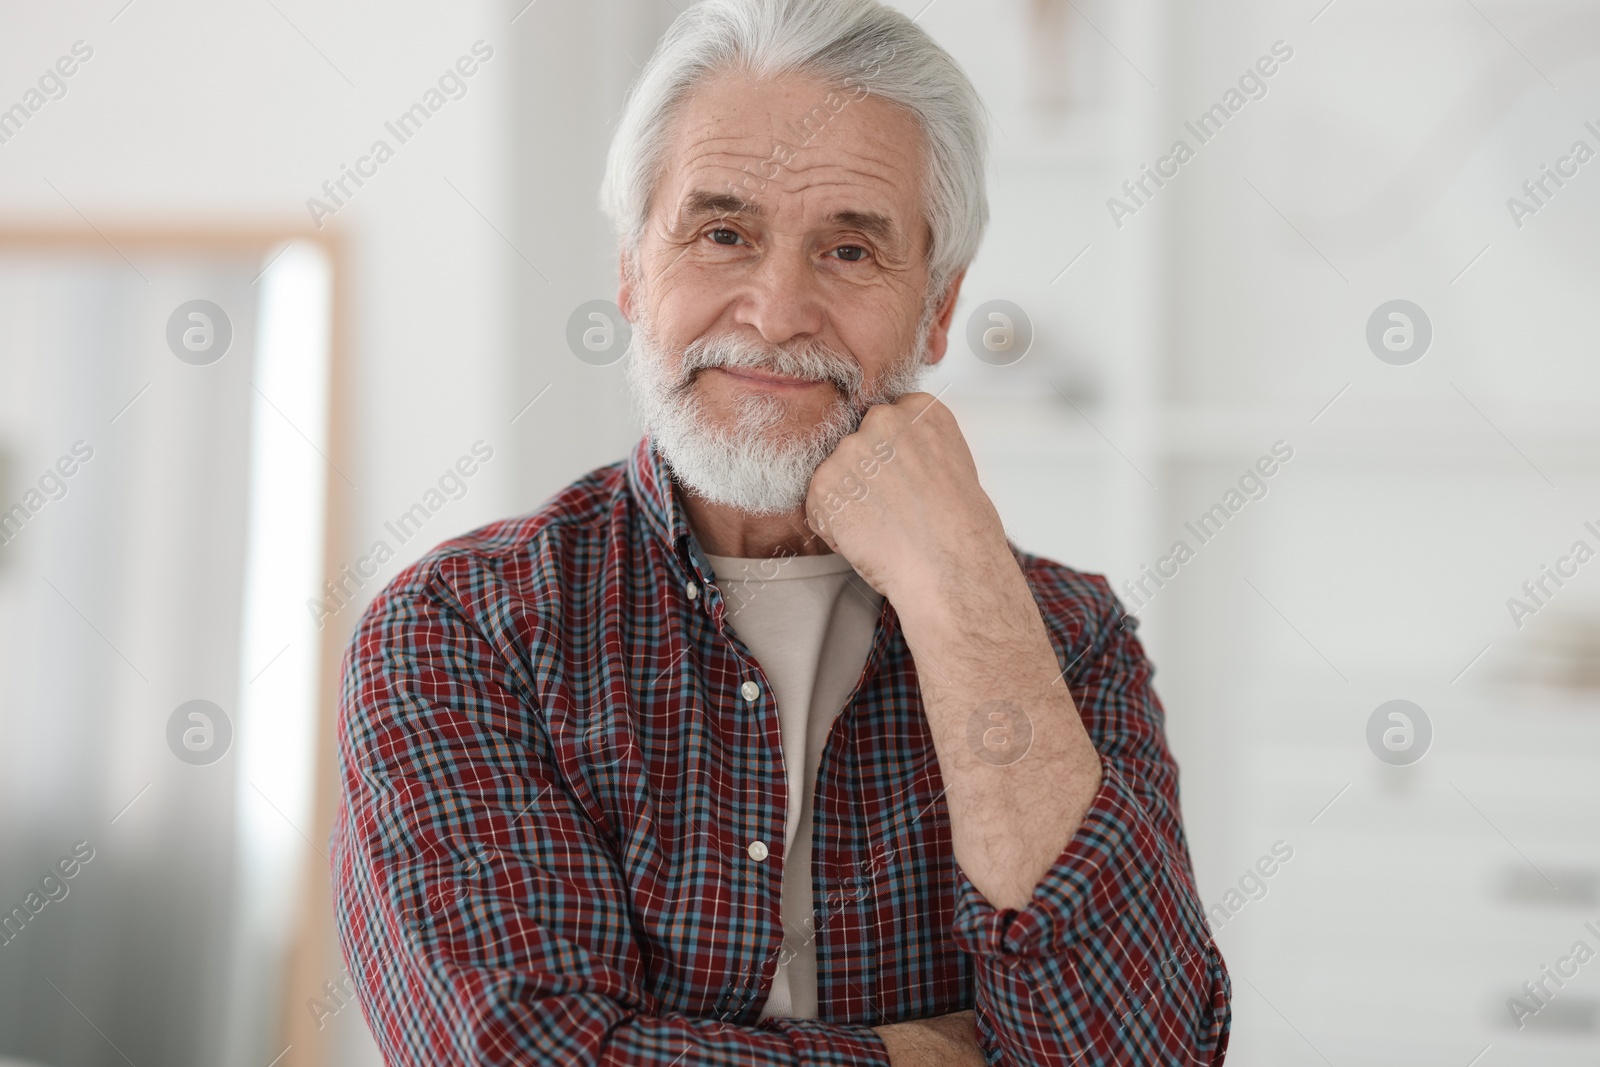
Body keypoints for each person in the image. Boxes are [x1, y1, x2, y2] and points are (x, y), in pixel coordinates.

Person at [329, 1, 1230, 1063]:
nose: (775, 310)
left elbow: (1147, 1051)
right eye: (723, 233)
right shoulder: (464, 630)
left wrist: (956, 586)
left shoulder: (1066, 638)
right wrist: (932, 1054)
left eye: (849, 250)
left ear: (936, 311)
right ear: (631, 270)